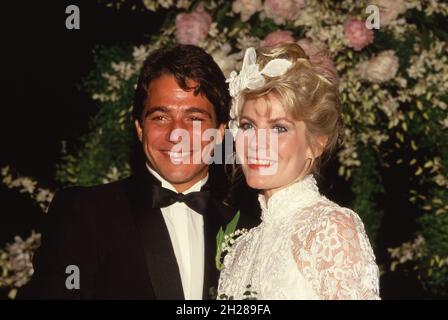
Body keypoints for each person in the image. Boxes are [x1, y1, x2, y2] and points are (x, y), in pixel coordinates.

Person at [20, 44, 255, 300]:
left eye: (194, 118)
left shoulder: (247, 231)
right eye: (160, 117)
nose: (176, 134)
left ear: (220, 132)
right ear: (140, 128)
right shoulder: (85, 213)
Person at [218, 44, 380, 300]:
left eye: (279, 128)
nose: (257, 143)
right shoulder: (241, 247)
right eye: (248, 126)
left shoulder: (329, 229)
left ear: (316, 143)